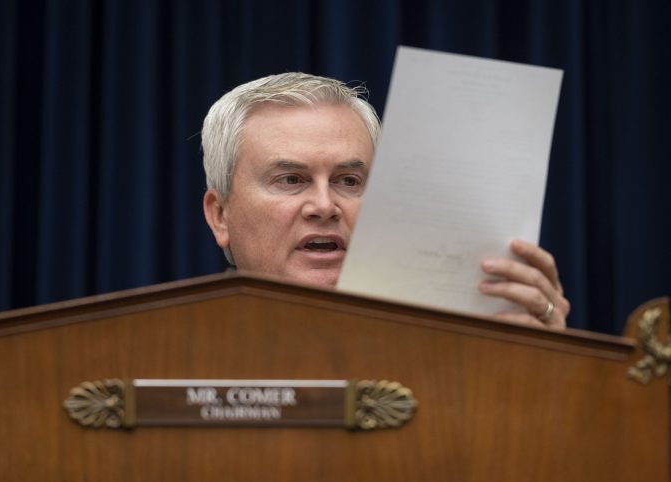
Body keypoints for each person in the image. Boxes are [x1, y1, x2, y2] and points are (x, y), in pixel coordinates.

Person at [201, 72, 570, 329]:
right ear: (220, 216)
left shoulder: (451, 341)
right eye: (291, 180)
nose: (325, 206)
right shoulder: (164, 348)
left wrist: (541, 359)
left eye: (349, 181)